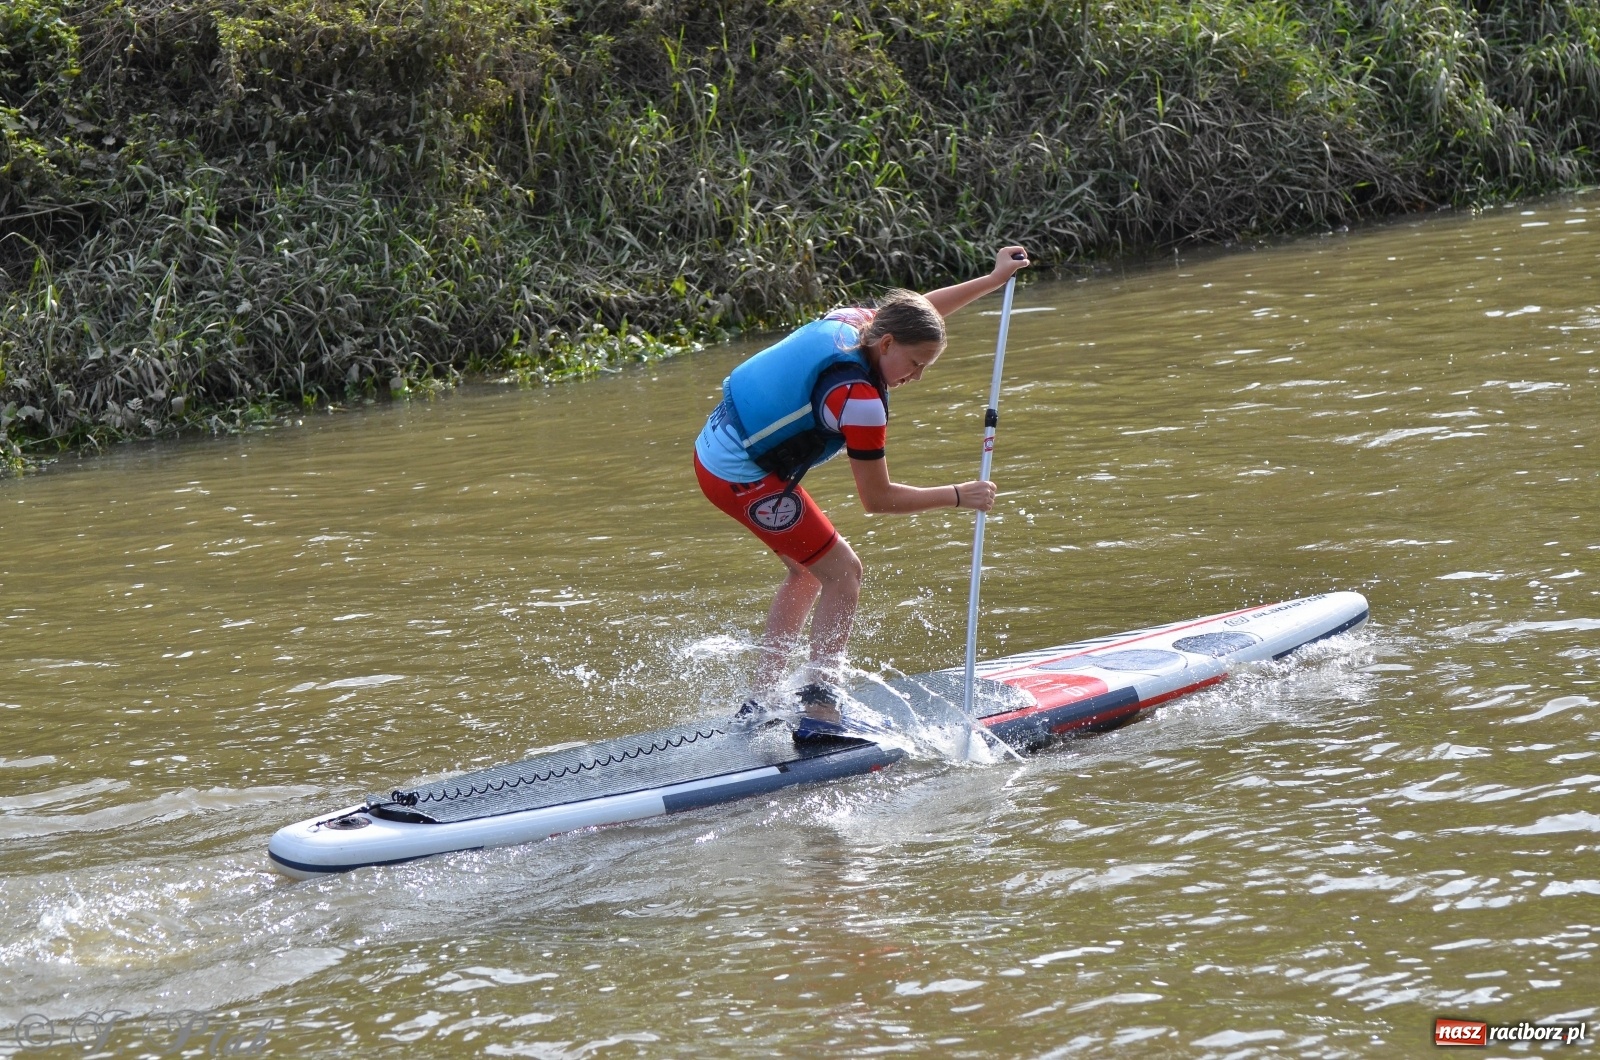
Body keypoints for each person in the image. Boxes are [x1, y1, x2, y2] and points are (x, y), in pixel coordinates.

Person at [694, 246, 1031, 732]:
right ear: (888, 343)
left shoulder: (855, 323)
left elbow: (924, 312)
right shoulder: (860, 401)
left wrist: (994, 280)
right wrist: (960, 494)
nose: (915, 377)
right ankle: (820, 709)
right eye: (915, 364)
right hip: (738, 474)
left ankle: (761, 701)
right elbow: (878, 500)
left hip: (714, 445)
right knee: (843, 572)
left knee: (808, 571)